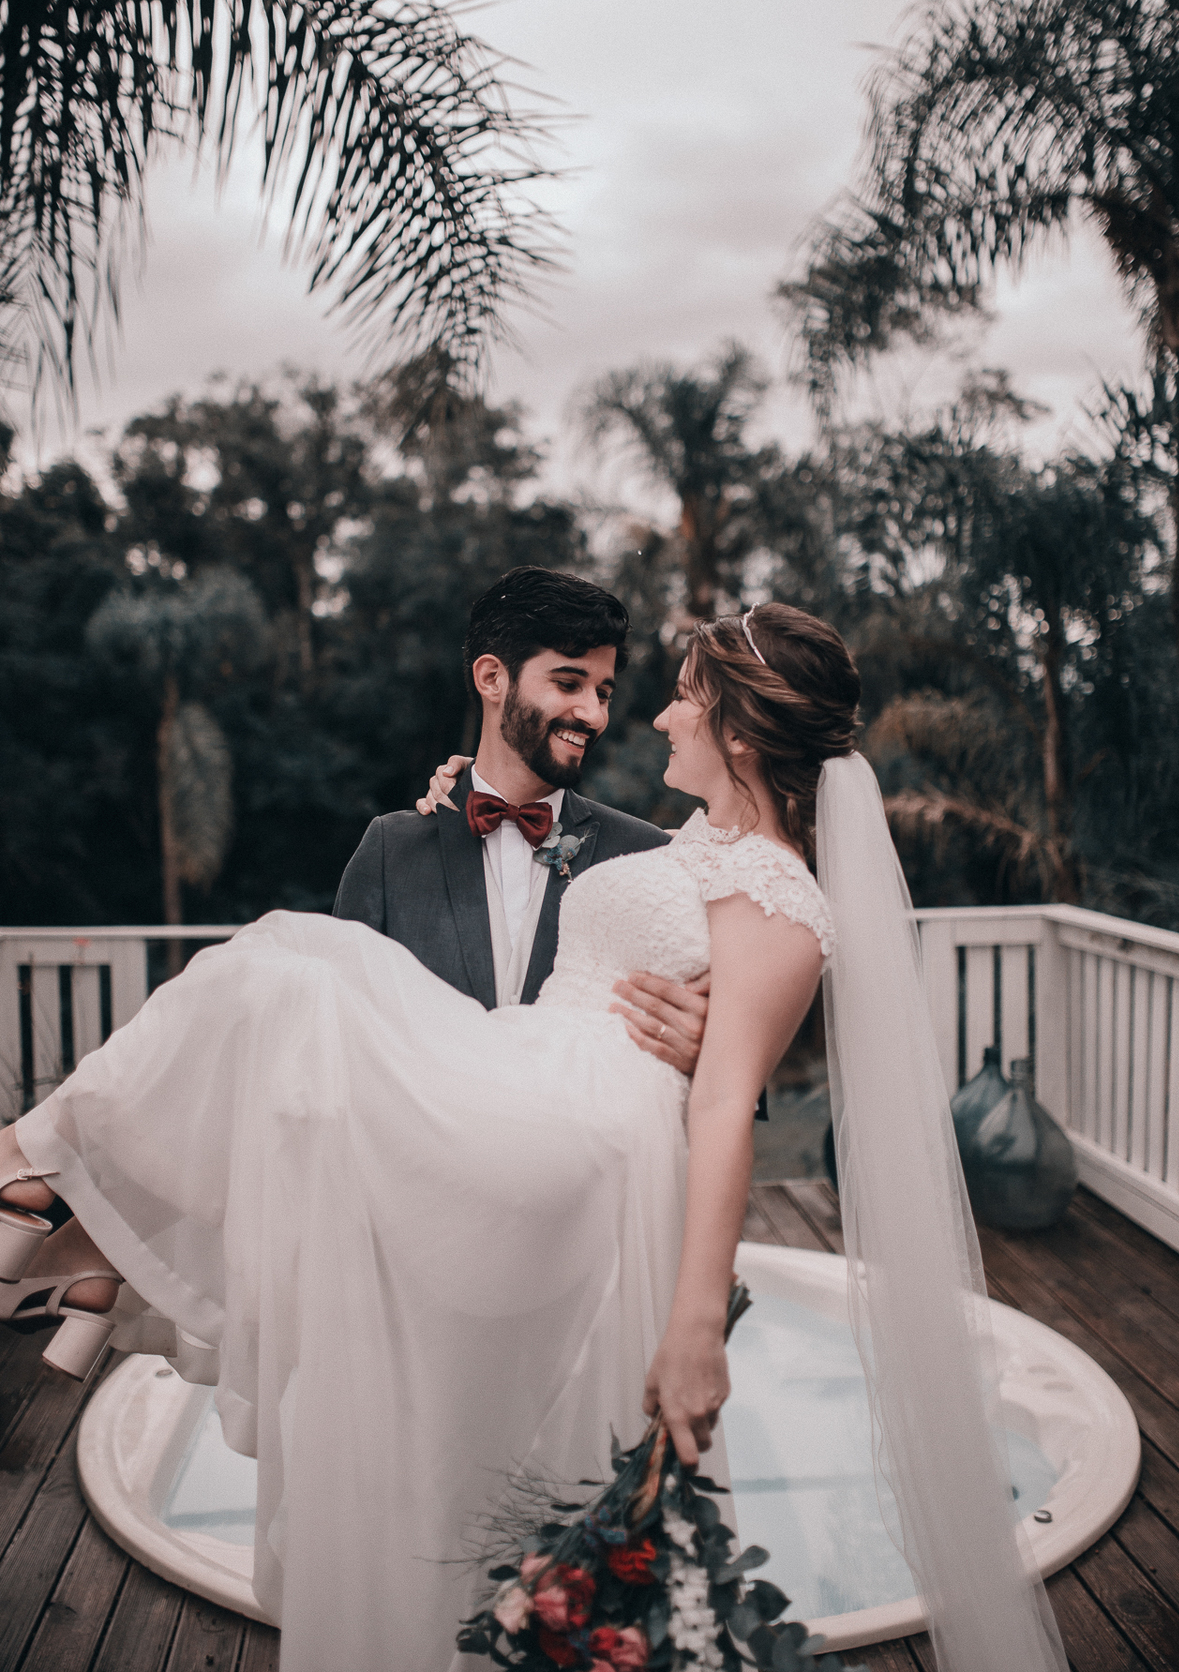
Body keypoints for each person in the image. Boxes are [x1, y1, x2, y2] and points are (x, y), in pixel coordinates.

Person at [0, 603, 1067, 1672]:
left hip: (579, 1126)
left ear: (740, 734)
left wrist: (697, 1326)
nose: (653, 717)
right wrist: (456, 792)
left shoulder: (782, 896)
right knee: (288, 1004)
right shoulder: (699, 845)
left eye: (682, 698)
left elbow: (722, 1101)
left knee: (286, 975)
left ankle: (34, 1177)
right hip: (523, 1077)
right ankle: (85, 1238)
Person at [334, 565, 712, 1073]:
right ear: (492, 678)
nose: (594, 715)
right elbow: (335, 1045)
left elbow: (729, 1068)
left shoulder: (648, 856)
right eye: (568, 683)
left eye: (603, 693)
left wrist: (705, 1052)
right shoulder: (390, 852)